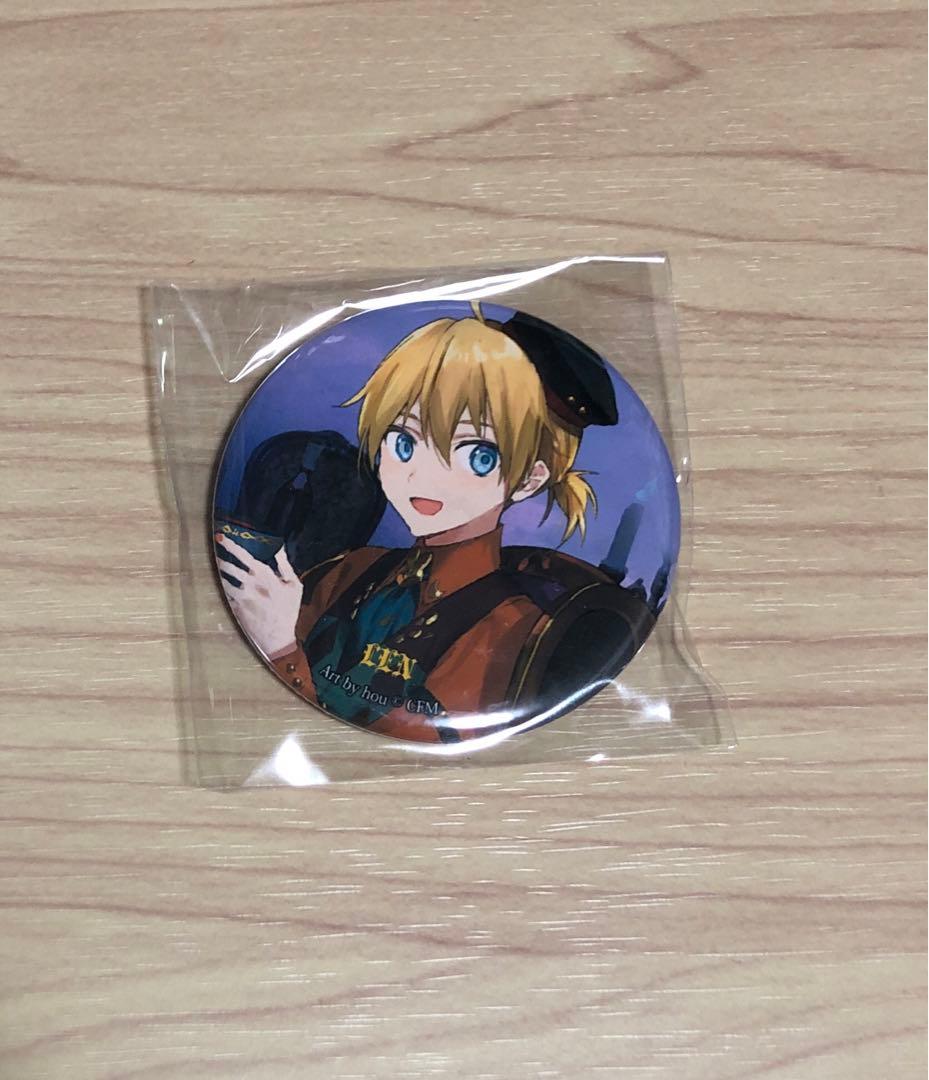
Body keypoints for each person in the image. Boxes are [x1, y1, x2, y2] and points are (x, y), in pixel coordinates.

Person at [216, 304, 653, 743]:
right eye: (403, 442)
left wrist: (283, 649)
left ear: (530, 479)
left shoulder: (512, 628)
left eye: (477, 455)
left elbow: (402, 741)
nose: (423, 476)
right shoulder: (349, 570)